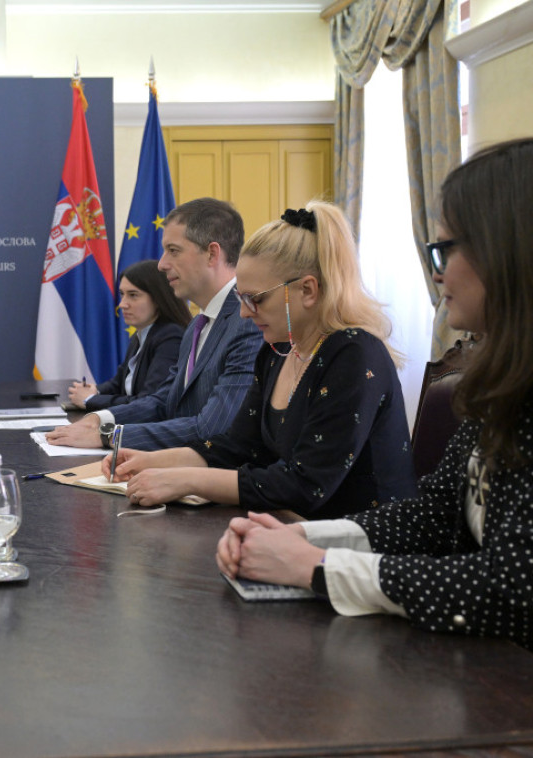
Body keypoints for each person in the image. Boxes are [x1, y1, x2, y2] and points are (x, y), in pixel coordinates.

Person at [216, 138, 533, 650]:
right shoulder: (503, 382)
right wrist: (301, 538)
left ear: (508, 253)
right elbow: (435, 515)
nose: (437, 272)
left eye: (446, 250)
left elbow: (513, 589)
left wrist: (319, 566)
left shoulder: (353, 351)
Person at [114, 202, 418, 520]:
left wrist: (187, 480)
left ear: (308, 290)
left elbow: (305, 485)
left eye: (255, 299)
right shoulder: (277, 351)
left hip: (362, 540)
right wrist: (152, 461)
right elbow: (238, 447)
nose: (244, 313)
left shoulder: (354, 354)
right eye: (240, 299)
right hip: (295, 530)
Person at [46, 198, 263, 451]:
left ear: (212, 254)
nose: (161, 264)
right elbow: (164, 401)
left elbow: (213, 427)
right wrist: (100, 419)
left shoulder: (248, 323)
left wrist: (109, 436)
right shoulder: (198, 325)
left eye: (173, 251)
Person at [66, 259, 190, 411]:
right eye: (122, 294)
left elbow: (149, 401)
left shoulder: (171, 337)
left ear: (158, 299)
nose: (122, 304)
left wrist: (90, 400)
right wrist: (95, 391)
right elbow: (118, 383)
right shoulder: (142, 334)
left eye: (133, 295)